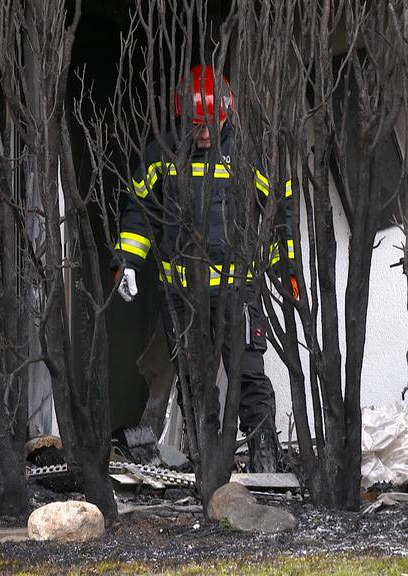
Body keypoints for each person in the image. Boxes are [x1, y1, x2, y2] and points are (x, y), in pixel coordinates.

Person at [111, 64, 295, 473]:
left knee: (248, 375)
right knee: (194, 382)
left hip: (237, 290)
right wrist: (127, 263)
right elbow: (138, 211)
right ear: (183, 117)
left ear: (227, 113)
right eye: (197, 125)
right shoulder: (162, 154)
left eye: (213, 123)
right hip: (182, 296)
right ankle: (205, 464)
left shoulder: (248, 154)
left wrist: (288, 268)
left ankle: (264, 458)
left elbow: (280, 211)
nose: (206, 132)